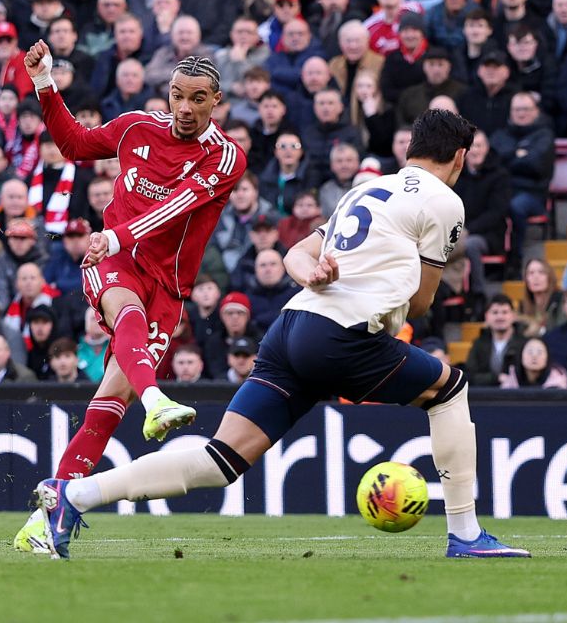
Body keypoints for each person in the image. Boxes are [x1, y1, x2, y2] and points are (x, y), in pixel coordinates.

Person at [31, 110, 530, 560]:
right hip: (343, 337)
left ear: (408, 151)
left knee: (221, 458)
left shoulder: (365, 188)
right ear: (460, 157)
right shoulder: (446, 202)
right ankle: (465, 533)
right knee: (450, 390)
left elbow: (296, 253)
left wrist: (312, 275)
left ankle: (73, 495)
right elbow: (420, 304)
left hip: (290, 328)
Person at [13, 41, 246, 554]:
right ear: (168, 93)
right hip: (113, 260)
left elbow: (180, 207)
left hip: (168, 284)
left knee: (109, 401)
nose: (185, 108)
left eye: (199, 99)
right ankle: (157, 398)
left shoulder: (226, 156)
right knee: (127, 313)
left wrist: (117, 236)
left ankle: (49, 512)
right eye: (178, 96)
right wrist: (45, 83)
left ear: (217, 100)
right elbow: (74, 145)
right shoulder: (138, 126)